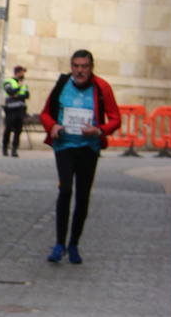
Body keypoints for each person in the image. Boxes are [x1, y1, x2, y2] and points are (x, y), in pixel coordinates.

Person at [39, 50, 120, 264]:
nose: (80, 70)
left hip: (88, 148)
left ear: (92, 67)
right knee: (65, 190)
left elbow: (115, 118)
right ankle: (59, 244)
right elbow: (45, 113)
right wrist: (52, 126)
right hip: (64, 146)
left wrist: (99, 130)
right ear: (71, 66)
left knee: (83, 196)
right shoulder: (62, 84)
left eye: (84, 66)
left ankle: (74, 244)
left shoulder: (102, 87)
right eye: (76, 66)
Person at [1, 65, 29, 157]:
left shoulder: (24, 84)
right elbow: (10, 92)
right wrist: (18, 89)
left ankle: (14, 150)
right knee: (8, 129)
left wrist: (17, 95)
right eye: (22, 72)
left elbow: (27, 95)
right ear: (17, 73)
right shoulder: (8, 82)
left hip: (20, 110)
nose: (23, 74)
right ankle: (5, 148)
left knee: (18, 131)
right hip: (10, 109)